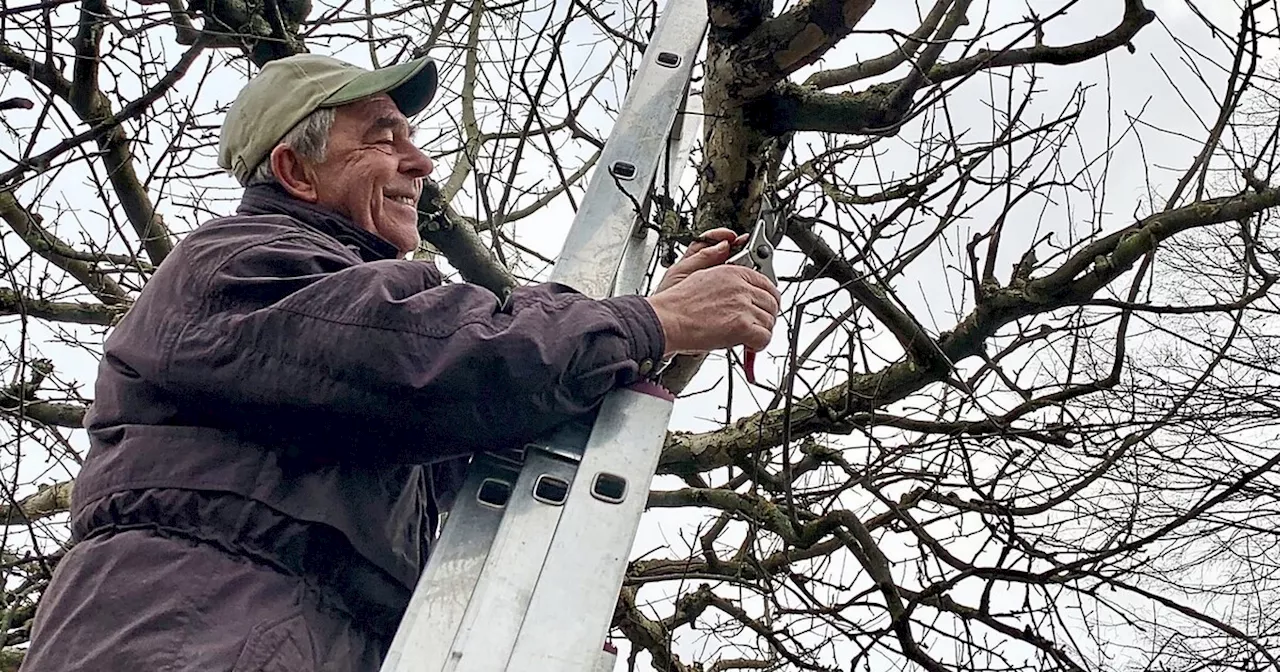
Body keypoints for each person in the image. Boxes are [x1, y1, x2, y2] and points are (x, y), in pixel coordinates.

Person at [18, 52, 779, 671]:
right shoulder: (238, 263)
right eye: (383, 138)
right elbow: (428, 355)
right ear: (295, 171)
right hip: (195, 637)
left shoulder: (352, 394)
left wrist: (656, 330)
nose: (420, 161)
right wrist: (648, 321)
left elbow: (493, 423)